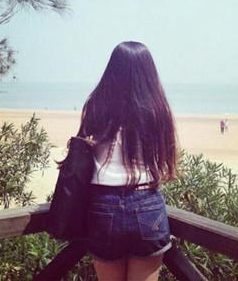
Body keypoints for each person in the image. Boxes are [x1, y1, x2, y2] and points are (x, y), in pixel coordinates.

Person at [74, 41, 178, 281]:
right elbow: (165, 158)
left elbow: (83, 152)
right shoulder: (157, 109)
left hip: (103, 205)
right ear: (149, 71)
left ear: (112, 69)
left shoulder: (96, 105)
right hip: (146, 202)